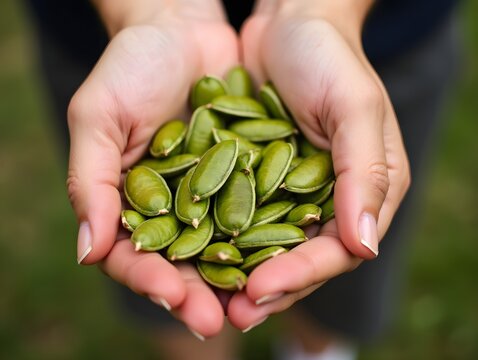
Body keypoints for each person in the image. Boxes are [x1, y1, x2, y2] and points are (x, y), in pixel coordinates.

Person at [26, 0, 460, 358]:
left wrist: (324, 13)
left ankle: (317, 350)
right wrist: (151, 12)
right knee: (173, 298)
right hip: (104, 38)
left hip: (383, 38)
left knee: (343, 257)